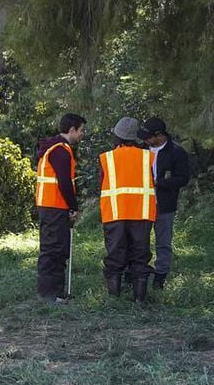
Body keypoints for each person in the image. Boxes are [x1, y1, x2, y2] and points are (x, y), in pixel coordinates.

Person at [99, 117, 155, 303]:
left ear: (117, 136)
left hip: (115, 213)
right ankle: (140, 299)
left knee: (115, 254)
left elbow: (102, 184)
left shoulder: (107, 158)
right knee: (140, 255)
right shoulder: (147, 156)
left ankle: (114, 300)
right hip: (142, 213)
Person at [34, 113, 86, 304]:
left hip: (52, 205)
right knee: (52, 250)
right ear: (72, 130)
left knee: (57, 249)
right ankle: (48, 294)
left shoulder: (55, 148)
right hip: (54, 205)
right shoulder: (61, 151)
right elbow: (64, 183)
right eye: (81, 130)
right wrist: (73, 206)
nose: (82, 134)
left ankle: (54, 293)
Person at [139, 117, 190, 289]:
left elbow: (183, 178)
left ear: (159, 135)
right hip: (142, 203)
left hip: (165, 203)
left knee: (163, 242)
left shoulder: (176, 152)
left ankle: (160, 278)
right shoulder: (142, 150)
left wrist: (159, 183)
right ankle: (138, 275)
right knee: (139, 241)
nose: (145, 140)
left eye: (149, 137)